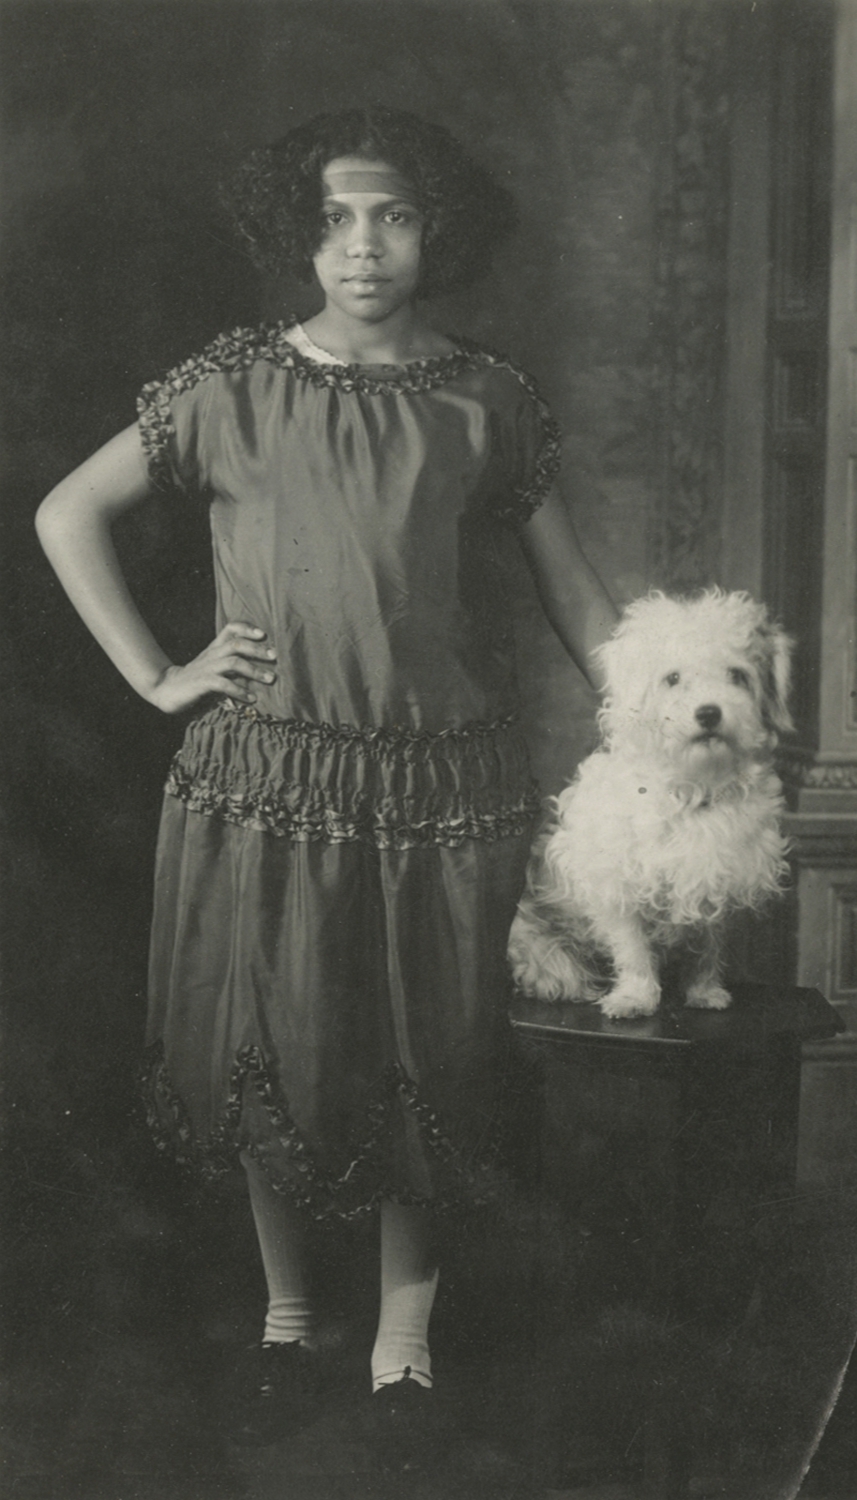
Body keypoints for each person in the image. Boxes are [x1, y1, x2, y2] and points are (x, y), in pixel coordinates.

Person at [35, 106, 618, 1447]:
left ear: (439, 230)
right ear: (295, 230)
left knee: (432, 1058)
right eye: (335, 218)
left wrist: (663, 720)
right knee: (269, 1045)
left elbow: (582, 603)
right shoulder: (224, 385)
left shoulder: (485, 399)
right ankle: (289, 1319)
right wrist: (155, 674)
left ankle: (401, 1347)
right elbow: (64, 513)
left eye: (394, 216)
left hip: (438, 788)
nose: (362, 248)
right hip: (264, 776)